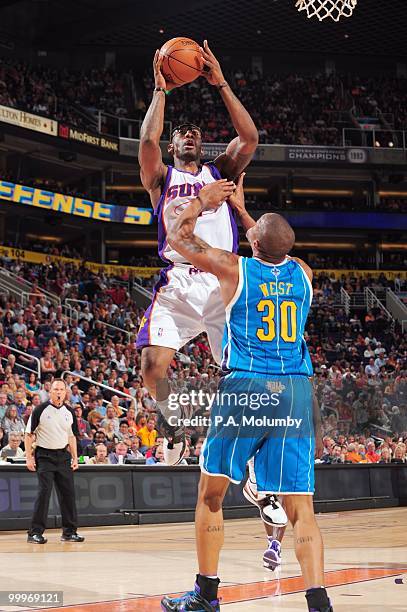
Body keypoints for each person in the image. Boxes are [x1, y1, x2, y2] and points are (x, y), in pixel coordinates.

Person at [161, 177, 333, 612]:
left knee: (211, 494)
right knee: (301, 510)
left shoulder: (235, 267)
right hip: (294, 389)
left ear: (252, 241)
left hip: (248, 384)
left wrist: (204, 200)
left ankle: (205, 595)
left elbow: (178, 236)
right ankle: (319, 603)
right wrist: (243, 213)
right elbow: (275, 244)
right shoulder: (304, 274)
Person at [136, 41, 258, 465]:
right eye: (181, 134)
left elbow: (249, 137)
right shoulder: (160, 178)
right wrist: (160, 90)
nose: (190, 136)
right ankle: (171, 421)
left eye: (196, 134)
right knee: (152, 368)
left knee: (243, 375)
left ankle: (248, 454)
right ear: (173, 147)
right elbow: (147, 139)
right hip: (180, 280)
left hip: (223, 282)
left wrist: (220, 82)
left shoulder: (220, 171)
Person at [25, 379, 84, 544]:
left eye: (61, 390)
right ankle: (34, 533)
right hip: (44, 456)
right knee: (44, 493)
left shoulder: (69, 412)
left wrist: (74, 457)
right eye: (56, 389)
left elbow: (71, 436)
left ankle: (69, 532)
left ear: (66, 392)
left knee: (68, 494)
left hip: (63, 456)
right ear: (50, 391)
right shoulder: (40, 410)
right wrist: (29, 457)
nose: (59, 392)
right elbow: (29, 434)